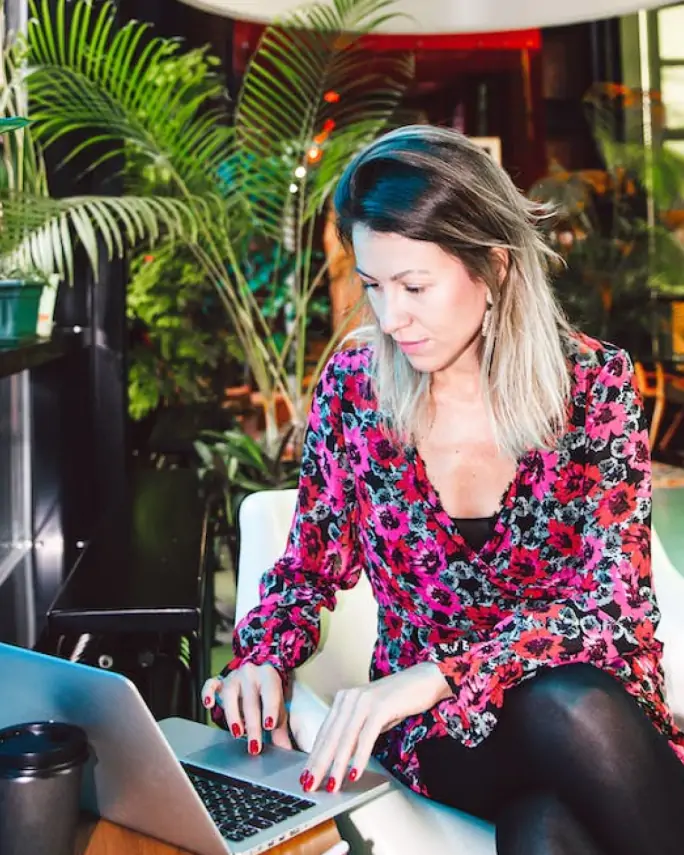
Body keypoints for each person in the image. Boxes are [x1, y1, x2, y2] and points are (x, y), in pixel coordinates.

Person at [202, 125, 684, 855]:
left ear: (492, 266)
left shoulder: (594, 384)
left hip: (587, 718)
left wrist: (440, 672)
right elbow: (307, 568)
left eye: (414, 286)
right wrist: (261, 657)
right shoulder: (356, 389)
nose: (390, 319)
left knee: (545, 830)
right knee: (562, 710)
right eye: (373, 286)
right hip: (446, 742)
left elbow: (613, 610)